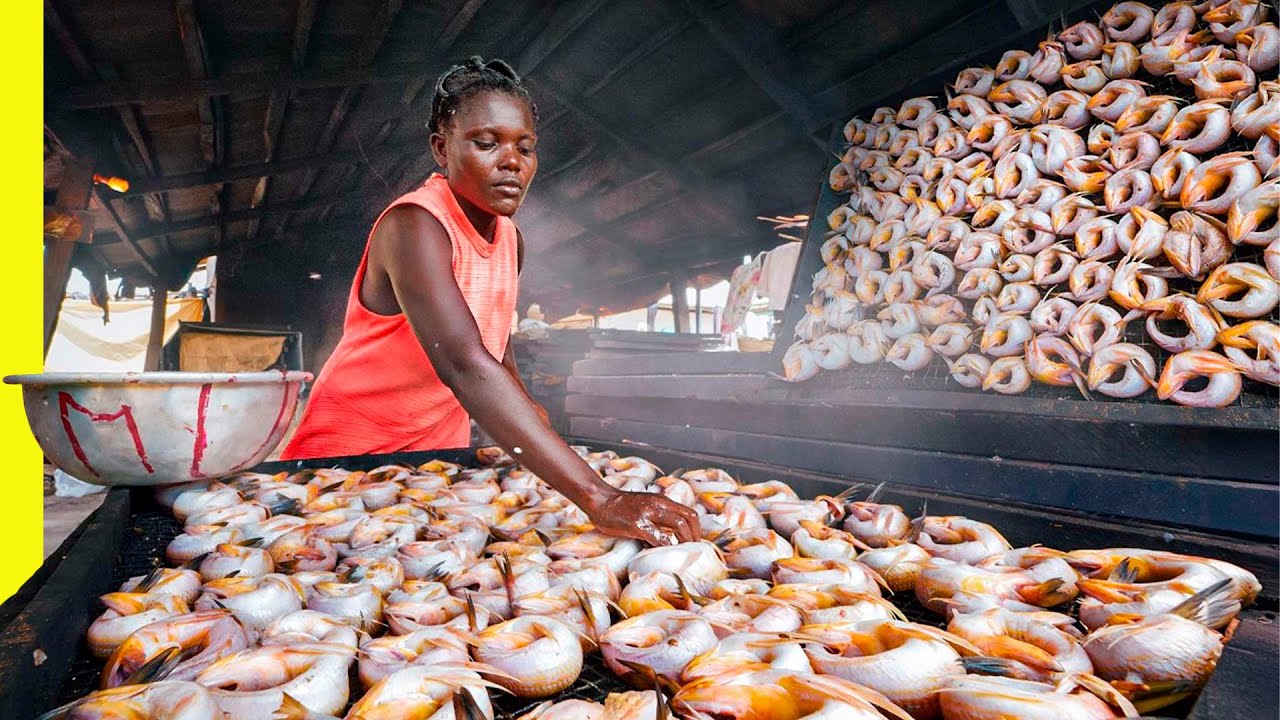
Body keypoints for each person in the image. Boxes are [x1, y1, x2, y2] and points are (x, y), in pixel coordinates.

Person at [281, 57, 698, 546]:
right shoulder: (414, 226)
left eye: (525, 147)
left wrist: (542, 441)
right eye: (486, 143)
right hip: (349, 457)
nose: (512, 162)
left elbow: (497, 353)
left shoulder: (510, 239)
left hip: (434, 459)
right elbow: (466, 364)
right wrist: (600, 497)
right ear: (442, 148)